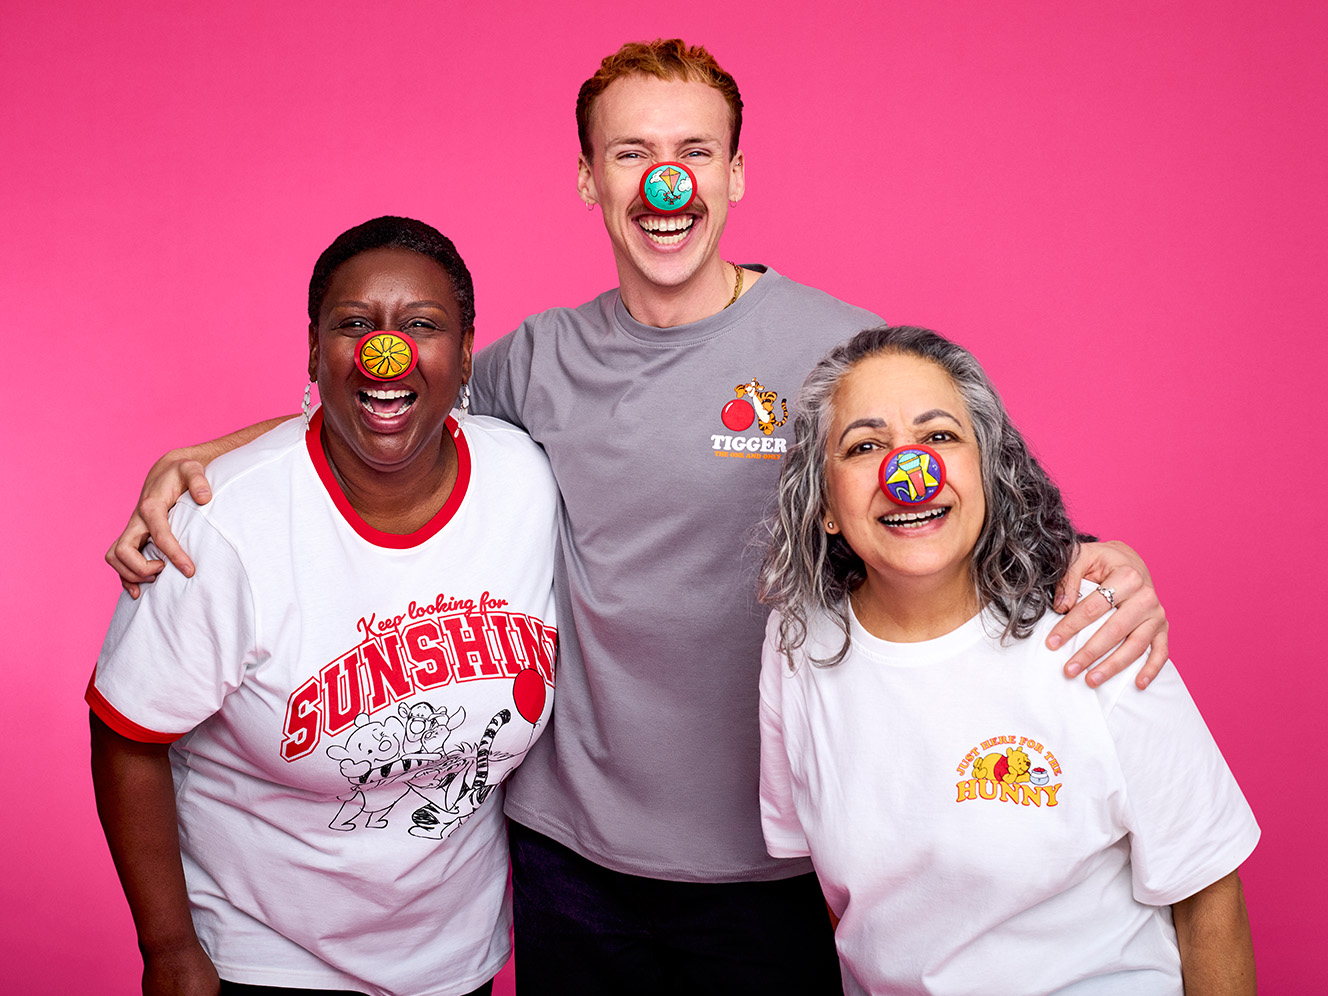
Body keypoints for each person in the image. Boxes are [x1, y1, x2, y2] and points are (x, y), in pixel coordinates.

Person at [104, 41, 1170, 993]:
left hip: (779, 859)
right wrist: (219, 450)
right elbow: (387, 405)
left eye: (693, 150)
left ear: (733, 174)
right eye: (629, 153)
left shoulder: (843, 356)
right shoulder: (533, 360)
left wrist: (1097, 557)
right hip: (570, 863)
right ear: (589, 179)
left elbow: (963, 494)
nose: (665, 177)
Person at [89, 216, 558, 996]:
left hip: (456, 958)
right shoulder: (226, 523)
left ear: (468, 350)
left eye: (421, 324)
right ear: (314, 350)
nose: (388, 349)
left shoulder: (528, 483)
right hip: (264, 955)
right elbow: (125, 733)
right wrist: (169, 951)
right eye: (353, 325)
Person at [757, 325, 1258, 995]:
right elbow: (834, 896)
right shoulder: (797, 643)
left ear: (988, 471)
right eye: (866, 445)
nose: (910, 474)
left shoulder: (1094, 625)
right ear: (825, 507)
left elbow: (1208, 892)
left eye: (939, 438)